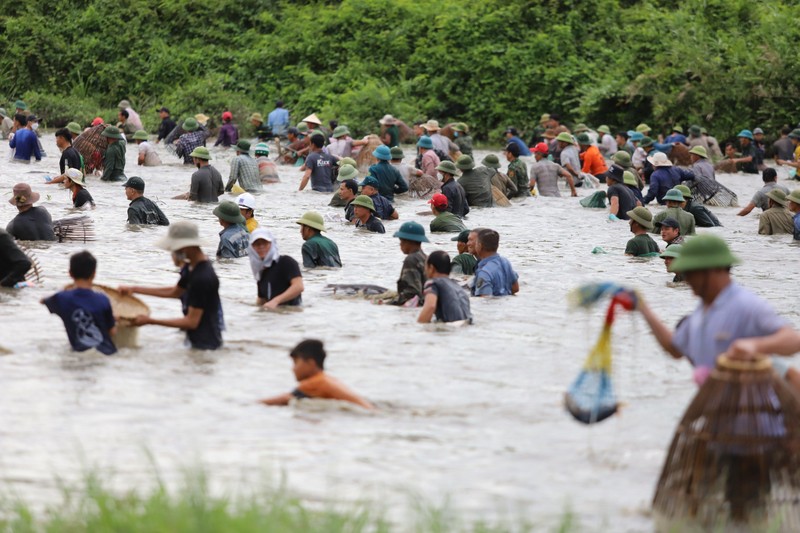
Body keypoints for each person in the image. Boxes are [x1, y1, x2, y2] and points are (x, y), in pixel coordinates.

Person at [634, 235, 800, 386]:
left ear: (715, 270)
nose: (688, 278)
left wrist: (754, 346)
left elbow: (793, 340)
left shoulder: (744, 304)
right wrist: (642, 308)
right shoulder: (702, 311)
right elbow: (675, 348)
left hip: (757, 414)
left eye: (692, 272)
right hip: (721, 413)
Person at [122, 221, 224, 350]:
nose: (172, 253)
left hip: (206, 345)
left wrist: (150, 321)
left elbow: (191, 322)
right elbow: (176, 292)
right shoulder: (191, 266)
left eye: (173, 249)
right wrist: (133, 289)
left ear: (184, 248)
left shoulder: (202, 277)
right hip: (193, 339)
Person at [260, 339, 374, 409]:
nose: (293, 368)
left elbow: (285, 399)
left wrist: (251, 404)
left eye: (295, 363)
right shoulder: (327, 379)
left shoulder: (315, 382)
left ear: (311, 363)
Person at [42, 251, 116, 355]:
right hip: (107, 353)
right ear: (94, 274)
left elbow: (43, 301)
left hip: (80, 353)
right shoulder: (103, 299)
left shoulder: (61, 298)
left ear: (70, 273)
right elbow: (112, 332)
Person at [247, 228, 303, 308]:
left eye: (265, 243)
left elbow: (298, 287)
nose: (261, 247)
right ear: (252, 248)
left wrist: (276, 301)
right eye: (257, 244)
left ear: (271, 244)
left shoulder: (286, 262)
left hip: (292, 315)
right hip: (273, 317)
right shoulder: (261, 273)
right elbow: (261, 300)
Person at [418, 251, 472, 324]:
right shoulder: (457, 286)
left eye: (425, 266)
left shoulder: (432, 283)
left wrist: (417, 330)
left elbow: (430, 306)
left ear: (431, 268)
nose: (425, 270)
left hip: (450, 328)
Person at [471, 229, 519, 297]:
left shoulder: (484, 272)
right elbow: (515, 288)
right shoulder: (505, 262)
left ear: (480, 245)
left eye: (476, 243)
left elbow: (485, 299)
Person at [391, 221, 428, 306]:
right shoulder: (424, 257)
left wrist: (390, 303)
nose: (400, 244)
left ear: (408, 241)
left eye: (401, 240)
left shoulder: (411, 259)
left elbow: (412, 293)